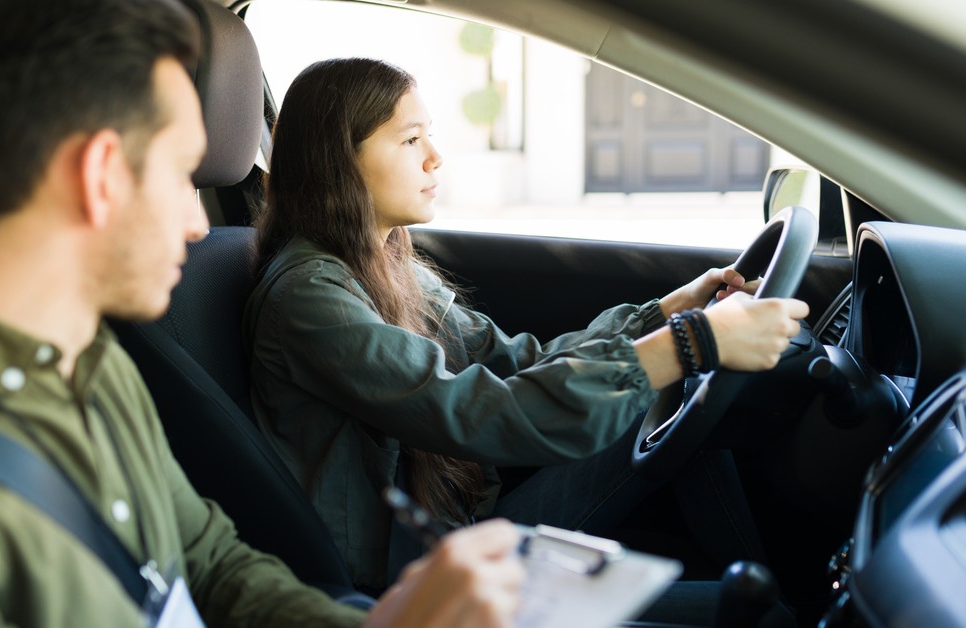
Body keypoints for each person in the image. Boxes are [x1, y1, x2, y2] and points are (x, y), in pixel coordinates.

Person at [0, 2, 526, 626]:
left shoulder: (90, 359)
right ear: (99, 176)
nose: (196, 221)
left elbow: (209, 560)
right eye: (182, 176)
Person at [245, 57, 810, 593]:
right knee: (737, 610)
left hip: (461, 530)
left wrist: (664, 314)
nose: (435, 157)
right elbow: (478, 413)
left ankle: (777, 594)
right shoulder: (311, 298)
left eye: (429, 136)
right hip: (418, 579)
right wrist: (690, 343)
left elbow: (519, 361)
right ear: (338, 159)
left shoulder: (388, 265)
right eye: (411, 139)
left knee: (673, 397)